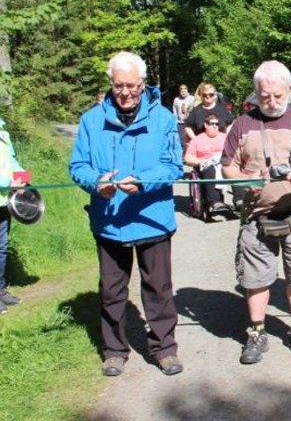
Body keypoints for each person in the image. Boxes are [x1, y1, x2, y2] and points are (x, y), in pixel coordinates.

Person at [69, 51, 184, 376]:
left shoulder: (163, 119)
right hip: (110, 221)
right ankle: (114, 351)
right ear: (110, 84)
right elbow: (78, 166)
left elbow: (173, 165)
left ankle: (164, 348)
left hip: (152, 218)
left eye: (132, 86)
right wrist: (96, 183)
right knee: (111, 291)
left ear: (143, 84)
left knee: (158, 289)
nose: (126, 93)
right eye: (119, 86)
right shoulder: (91, 120)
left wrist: (144, 182)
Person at [221, 60, 291, 364]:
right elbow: (227, 166)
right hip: (256, 214)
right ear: (256, 92)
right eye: (264, 96)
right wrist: (245, 181)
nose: (271, 101)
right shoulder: (242, 124)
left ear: (289, 91)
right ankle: (257, 332)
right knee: (254, 277)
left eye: (278, 95)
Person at [0, 118, 27, 315]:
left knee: (1, 248)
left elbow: (13, 161)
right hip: (5, 189)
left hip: (4, 202)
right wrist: (8, 182)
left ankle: (0, 290)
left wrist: (22, 177)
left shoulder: (3, 133)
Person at [184, 112, 228, 212]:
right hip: (207, 164)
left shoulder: (225, 137)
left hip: (223, 162)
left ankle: (239, 199)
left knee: (234, 169)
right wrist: (200, 161)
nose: (215, 126)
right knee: (210, 169)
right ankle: (215, 202)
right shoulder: (197, 139)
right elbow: (187, 157)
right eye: (212, 124)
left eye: (217, 124)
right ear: (206, 125)